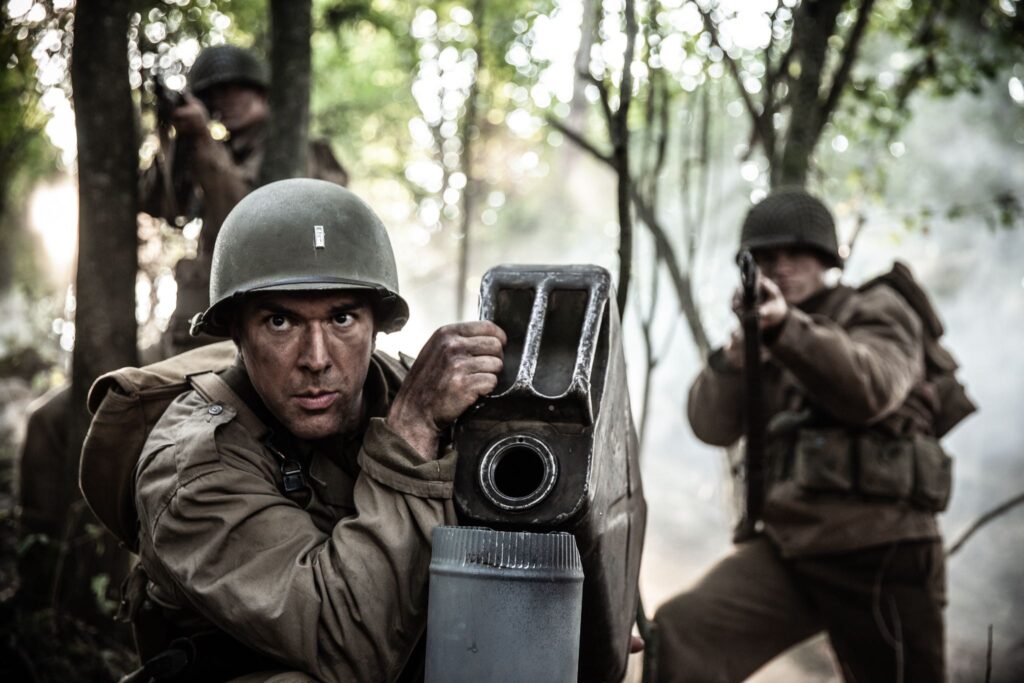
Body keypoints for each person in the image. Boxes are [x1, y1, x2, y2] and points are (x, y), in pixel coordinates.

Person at [125, 178, 506, 681]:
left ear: (377, 324)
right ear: (237, 331)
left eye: (343, 318)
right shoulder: (193, 468)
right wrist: (410, 434)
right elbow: (345, 643)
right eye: (280, 322)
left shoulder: (410, 392)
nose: (317, 360)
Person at [16, 44, 347, 610]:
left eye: (236, 89)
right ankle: (40, 586)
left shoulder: (302, 154)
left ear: (265, 91)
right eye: (214, 96)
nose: (226, 102)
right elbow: (151, 199)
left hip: (251, 341)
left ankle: (131, 595)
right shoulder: (205, 150)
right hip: (185, 335)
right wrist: (174, 140)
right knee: (50, 422)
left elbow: (254, 225)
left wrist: (202, 145)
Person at [654, 188, 974, 682]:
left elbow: (871, 388)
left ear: (824, 257)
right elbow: (711, 426)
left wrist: (786, 329)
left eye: (795, 253)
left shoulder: (878, 308)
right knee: (682, 632)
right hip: (792, 548)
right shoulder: (763, 332)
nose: (780, 267)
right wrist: (735, 362)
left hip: (882, 551)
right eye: (766, 256)